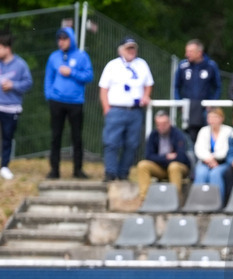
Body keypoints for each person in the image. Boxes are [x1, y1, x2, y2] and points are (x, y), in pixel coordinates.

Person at [98, 36, 153, 182]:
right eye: (128, 48)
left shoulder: (142, 64)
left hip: (135, 111)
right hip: (116, 109)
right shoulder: (112, 65)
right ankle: (110, 172)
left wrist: (146, 96)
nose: (132, 51)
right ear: (121, 50)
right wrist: (106, 108)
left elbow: (148, 83)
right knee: (111, 142)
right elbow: (103, 88)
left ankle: (123, 173)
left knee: (132, 144)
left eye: (133, 48)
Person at [44, 27, 92, 180]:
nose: (61, 42)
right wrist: (49, 96)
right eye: (59, 39)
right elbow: (48, 78)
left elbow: (89, 76)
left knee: (76, 137)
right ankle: (54, 170)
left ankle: (78, 170)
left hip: (76, 102)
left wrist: (71, 72)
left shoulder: (81, 56)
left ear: (71, 40)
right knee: (55, 136)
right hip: (56, 101)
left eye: (64, 39)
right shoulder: (54, 57)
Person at [0, 32, 34, 181]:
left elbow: (28, 83)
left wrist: (13, 85)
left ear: (7, 48)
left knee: (7, 138)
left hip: (11, 108)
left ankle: (4, 166)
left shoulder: (20, 64)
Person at [136, 110, 190, 199]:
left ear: (169, 122)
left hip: (178, 169)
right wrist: (166, 157)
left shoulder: (178, 135)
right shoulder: (153, 135)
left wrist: (160, 159)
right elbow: (148, 156)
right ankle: (144, 199)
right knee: (142, 165)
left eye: (164, 123)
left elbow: (181, 157)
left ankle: (175, 200)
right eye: (158, 124)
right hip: (160, 168)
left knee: (174, 166)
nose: (161, 127)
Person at [174, 39, 220, 142]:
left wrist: (212, 103)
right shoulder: (182, 66)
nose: (186, 54)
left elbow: (217, 87)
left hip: (205, 110)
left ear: (199, 53)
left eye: (190, 52)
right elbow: (176, 86)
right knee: (190, 138)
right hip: (188, 109)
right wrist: (179, 103)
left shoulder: (211, 66)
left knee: (207, 136)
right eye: (187, 51)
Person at [192, 107, 231, 199]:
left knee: (215, 174)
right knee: (201, 173)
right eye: (210, 117)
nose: (212, 120)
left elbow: (227, 150)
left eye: (215, 117)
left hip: (222, 163)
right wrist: (209, 159)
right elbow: (199, 148)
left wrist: (214, 158)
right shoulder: (203, 131)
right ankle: (198, 201)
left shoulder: (229, 131)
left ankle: (217, 201)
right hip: (205, 162)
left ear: (222, 118)